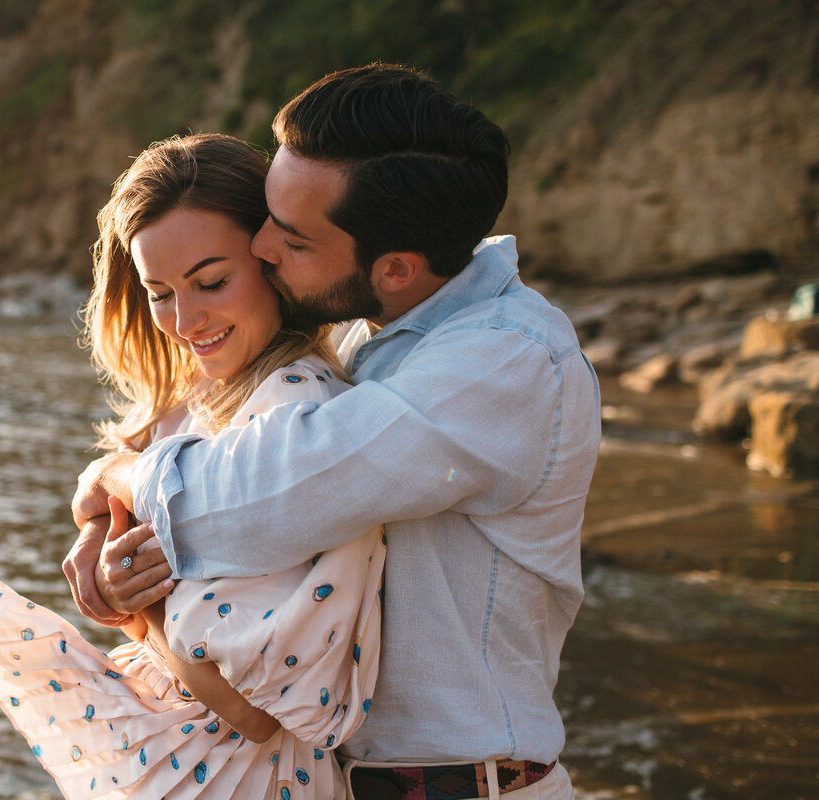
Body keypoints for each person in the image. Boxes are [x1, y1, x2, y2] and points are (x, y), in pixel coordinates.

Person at [65, 64, 601, 800]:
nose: (263, 250)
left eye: (290, 238)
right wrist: (101, 530)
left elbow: (267, 493)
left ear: (395, 269)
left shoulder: (503, 361)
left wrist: (116, 481)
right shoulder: (361, 339)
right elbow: (217, 457)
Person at [0, 133, 385, 799]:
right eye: (160, 292)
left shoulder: (297, 418)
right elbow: (123, 489)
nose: (185, 319)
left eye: (210, 281)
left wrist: (143, 612)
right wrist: (100, 542)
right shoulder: (195, 399)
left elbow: (254, 712)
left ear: (273, 259)